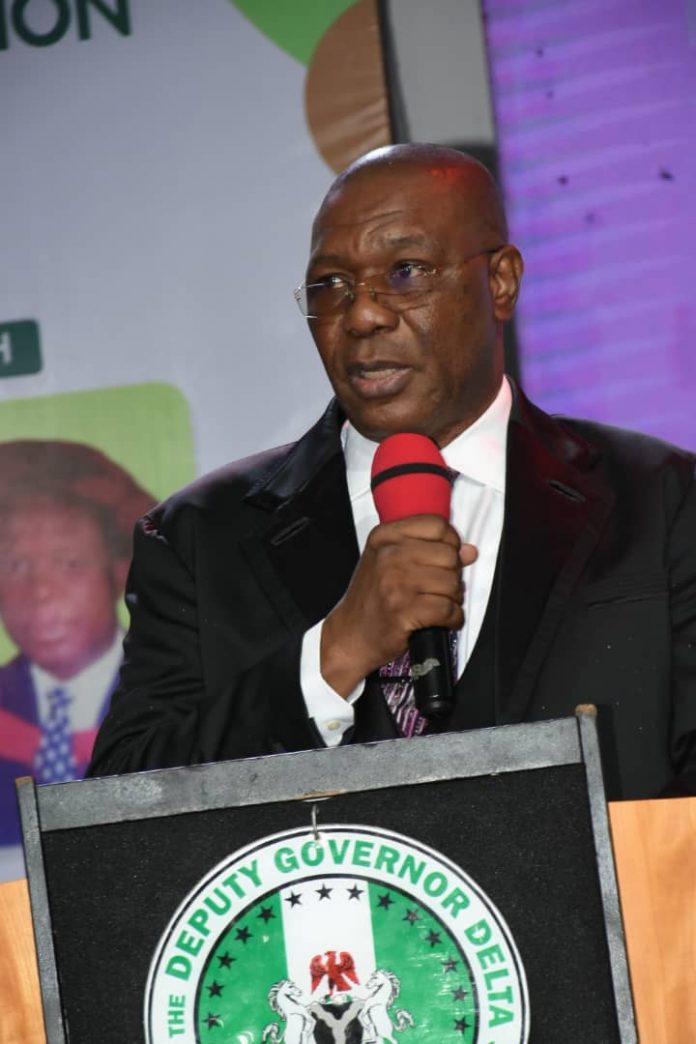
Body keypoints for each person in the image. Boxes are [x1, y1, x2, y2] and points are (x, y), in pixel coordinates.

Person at [88, 144, 696, 800]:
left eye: (406, 272)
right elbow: (123, 802)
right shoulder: (198, 537)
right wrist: (334, 654)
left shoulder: (659, 501)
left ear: (500, 282)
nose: (362, 315)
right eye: (331, 286)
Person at [0, 440, 155, 873]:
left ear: (117, 572)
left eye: (68, 563)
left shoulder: (175, 697)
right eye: (16, 566)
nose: (40, 592)